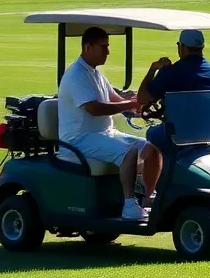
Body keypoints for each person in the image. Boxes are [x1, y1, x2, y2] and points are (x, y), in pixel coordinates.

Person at [56, 26, 156, 221]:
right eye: (104, 47)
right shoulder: (76, 75)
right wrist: (130, 103)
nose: (108, 52)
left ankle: (148, 197)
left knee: (152, 150)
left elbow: (115, 100)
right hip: (79, 139)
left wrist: (138, 105)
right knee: (129, 152)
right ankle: (129, 205)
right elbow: (94, 108)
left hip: (103, 134)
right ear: (88, 46)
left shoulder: (96, 74)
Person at [136, 29, 210, 158]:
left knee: (152, 133)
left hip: (181, 134)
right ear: (202, 47)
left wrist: (153, 69)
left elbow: (142, 98)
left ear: (182, 47)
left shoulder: (170, 73)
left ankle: (161, 176)